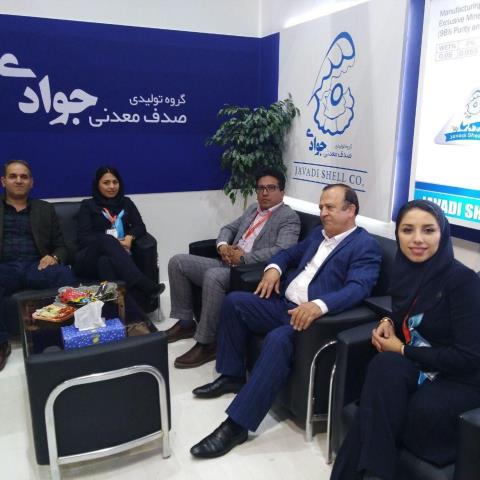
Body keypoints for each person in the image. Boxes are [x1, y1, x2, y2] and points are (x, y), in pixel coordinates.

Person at [190, 183, 382, 458]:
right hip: (282, 304)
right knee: (234, 302)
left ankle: (236, 426)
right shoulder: (318, 235)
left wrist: (318, 305)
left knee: (278, 338)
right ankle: (232, 375)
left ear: (350, 210)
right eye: (321, 207)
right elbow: (288, 253)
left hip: (312, 320)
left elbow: (359, 288)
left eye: (330, 207)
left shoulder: (365, 245)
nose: (323, 213)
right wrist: (274, 269)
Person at [330, 200, 480, 480]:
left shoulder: (463, 281)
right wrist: (388, 321)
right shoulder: (405, 271)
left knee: (381, 405)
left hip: (459, 377)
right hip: (423, 367)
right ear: (398, 234)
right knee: (383, 366)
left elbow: (469, 358)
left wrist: (402, 349)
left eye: (428, 230)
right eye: (408, 230)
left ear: (442, 234)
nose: (417, 239)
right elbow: (408, 312)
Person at [167, 167, 301, 368]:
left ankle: (208, 343)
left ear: (282, 191)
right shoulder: (253, 209)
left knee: (213, 276)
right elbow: (228, 228)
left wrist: (244, 258)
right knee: (177, 262)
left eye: (271, 188)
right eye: (260, 188)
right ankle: (186, 323)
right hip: (227, 261)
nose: (264, 193)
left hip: (249, 272)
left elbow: (283, 250)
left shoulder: (288, 217)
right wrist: (223, 246)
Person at [0, 159, 77, 371]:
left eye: (24, 177)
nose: (19, 180)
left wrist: (55, 257)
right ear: (3, 181)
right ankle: (2, 343)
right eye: (13, 176)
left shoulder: (44, 209)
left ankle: (66, 333)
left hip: (36, 266)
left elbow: (61, 246)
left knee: (65, 276)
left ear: (31, 182)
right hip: (5, 267)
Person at [74, 166, 164, 308]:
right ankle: (143, 283)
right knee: (106, 239)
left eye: (115, 182)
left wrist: (130, 237)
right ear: (97, 184)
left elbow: (140, 226)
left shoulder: (126, 203)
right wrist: (112, 242)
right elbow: (83, 238)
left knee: (105, 262)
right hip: (89, 257)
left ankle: (125, 311)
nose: (112, 186)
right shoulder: (88, 205)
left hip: (116, 257)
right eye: (106, 183)